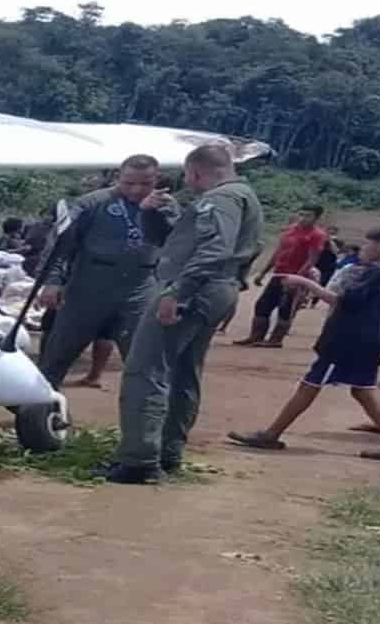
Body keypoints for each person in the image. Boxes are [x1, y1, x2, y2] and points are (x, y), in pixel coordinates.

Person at [102, 143, 263, 484]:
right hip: (215, 289)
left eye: (188, 176)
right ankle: (167, 451)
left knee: (146, 369)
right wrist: (152, 213)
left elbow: (215, 249)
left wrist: (178, 291)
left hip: (195, 290)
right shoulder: (242, 196)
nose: (187, 183)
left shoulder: (221, 199)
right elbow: (181, 242)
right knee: (182, 372)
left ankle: (139, 460)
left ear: (196, 172)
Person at [227, 224, 380, 459]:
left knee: (312, 383)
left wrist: (305, 283)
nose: (364, 248)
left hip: (349, 340)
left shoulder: (378, 272)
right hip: (374, 339)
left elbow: (342, 301)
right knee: (361, 389)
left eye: (368, 243)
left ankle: (271, 434)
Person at [31, 155, 176, 393]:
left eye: (145, 183)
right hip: (89, 285)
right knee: (57, 354)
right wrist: (52, 281)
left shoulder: (166, 205)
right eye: (129, 183)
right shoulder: (92, 203)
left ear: (157, 179)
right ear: (117, 176)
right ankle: (38, 406)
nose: (137, 190)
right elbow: (60, 244)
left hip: (140, 286)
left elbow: (174, 243)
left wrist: (156, 213)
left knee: (145, 358)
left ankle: (146, 412)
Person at [236, 204, 327, 347]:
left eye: (308, 216)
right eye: (301, 214)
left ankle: (276, 340)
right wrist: (263, 272)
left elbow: (312, 259)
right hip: (279, 273)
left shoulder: (316, 235)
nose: (303, 218)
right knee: (262, 305)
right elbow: (278, 252)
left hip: (295, 276)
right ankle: (256, 336)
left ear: (317, 218)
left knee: (285, 308)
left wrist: (297, 279)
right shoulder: (290, 230)